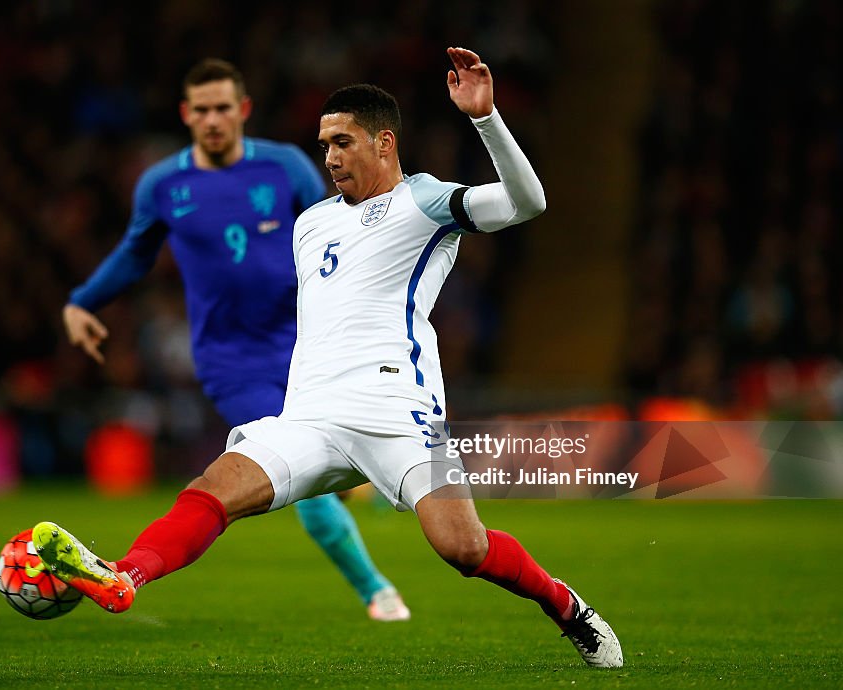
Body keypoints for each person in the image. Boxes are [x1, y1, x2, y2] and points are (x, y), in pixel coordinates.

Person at [38, 47, 622, 668]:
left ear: (384, 143)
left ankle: (568, 609)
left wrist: (485, 119)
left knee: (464, 549)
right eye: (324, 145)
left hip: (399, 411)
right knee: (214, 488)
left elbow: (526, 203)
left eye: (343, 142)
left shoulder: (423, 202)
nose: (331, 157)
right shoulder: (311, 222)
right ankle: (123, 576)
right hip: (310, 416)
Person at [62, 58, 409, 621]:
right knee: (304, 478)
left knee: (326, 460)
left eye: (223, 107)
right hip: (230, 362)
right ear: (185, 115)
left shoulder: (286, 167)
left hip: (308, 345)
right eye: (201, 110)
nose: (213, 119)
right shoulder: (164, 185)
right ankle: (376, 590)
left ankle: (358, 490)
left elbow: (342, 225)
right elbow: (135, 253)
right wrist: (84, 301)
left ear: (242, 110)